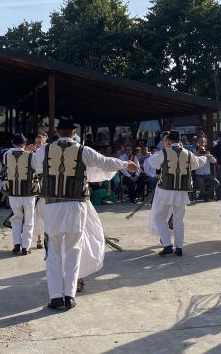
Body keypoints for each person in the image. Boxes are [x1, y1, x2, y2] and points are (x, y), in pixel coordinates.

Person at [31, 118, 138, 311]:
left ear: (57, 133)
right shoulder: (83, 150)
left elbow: (33, 165)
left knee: (54, 252)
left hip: (53, 206)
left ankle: (55, 297)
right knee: (74, 250)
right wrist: (125, 164)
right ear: (74, 133)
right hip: (76, 206)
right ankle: (69, 295)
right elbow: (105, 163)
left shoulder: (44, 150)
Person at [147, 130, 207, 256]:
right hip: (181, 191)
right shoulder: (188, 153)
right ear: (180, 140)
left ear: (169, 140)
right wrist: (204, 157)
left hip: (166, 190)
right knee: (179, 219)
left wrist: (155, 153)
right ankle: (179, 247)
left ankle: (167, 244)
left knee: (159, 217)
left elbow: (154, 163)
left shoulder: (164, 152)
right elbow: (197, 164)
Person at [1, 134, 38, 255]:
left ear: (13, 143)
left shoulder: (6, 155)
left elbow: (10, 156)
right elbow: (37, 168)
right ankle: (25, 247)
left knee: (16, 218)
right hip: (28, 193)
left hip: (13, 192)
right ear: (25, 143)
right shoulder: (31, 155)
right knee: (29, 220)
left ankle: (16, 244)